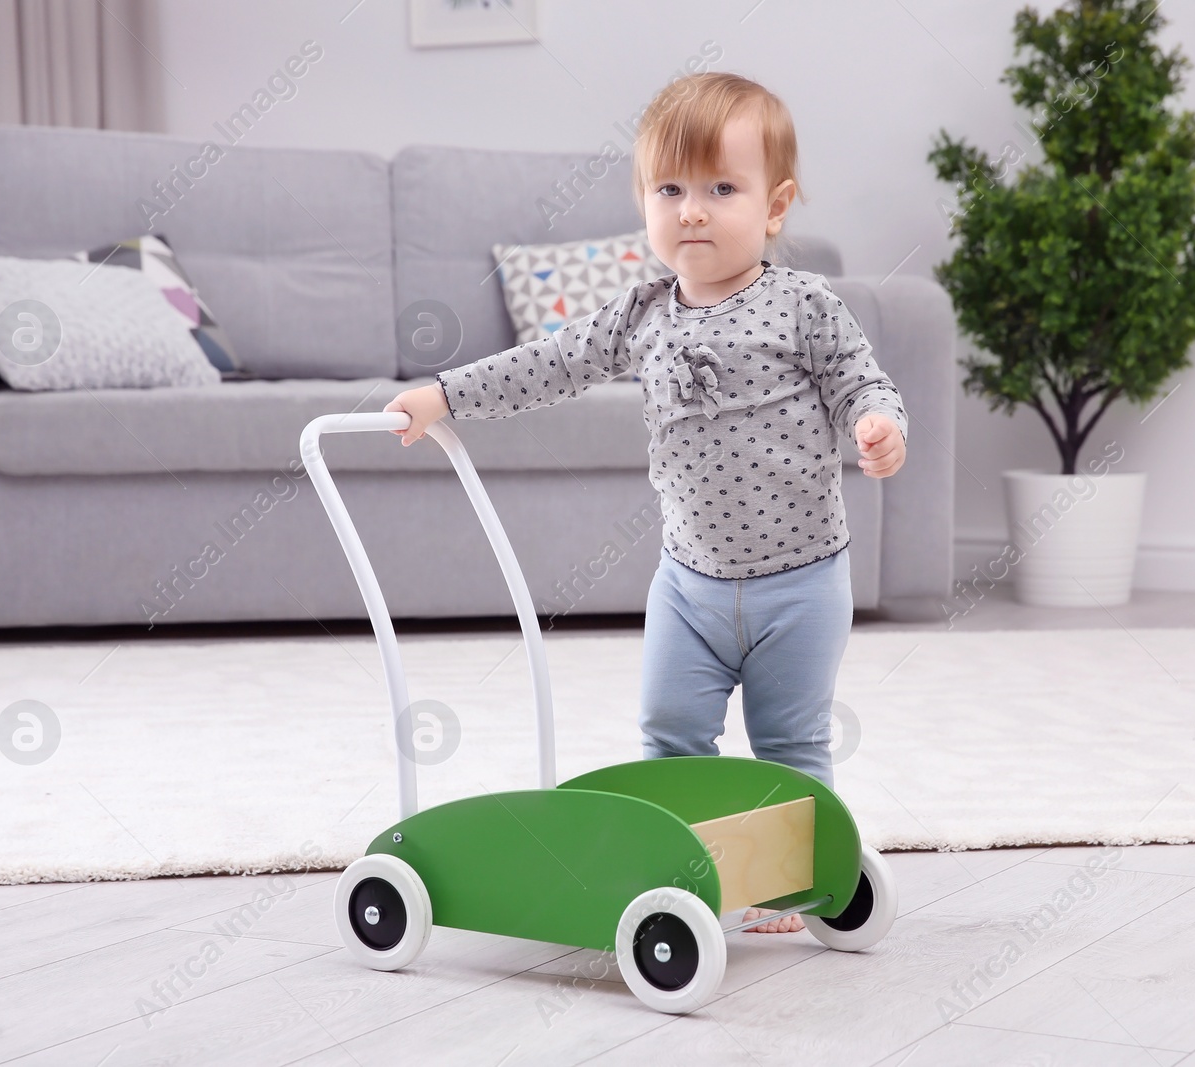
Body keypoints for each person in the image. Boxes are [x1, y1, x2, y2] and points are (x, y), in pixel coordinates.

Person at [385, 71, 907, 933]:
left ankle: (796, 878)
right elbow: (548, 363)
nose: (692, 210)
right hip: (689, 586)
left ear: (774, 208)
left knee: (791, 743)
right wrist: (445, 394)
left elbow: (862, 379)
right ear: (644, 202)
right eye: (670, 189)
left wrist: (878, 423)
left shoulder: (805, 305)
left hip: (802, 584)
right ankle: (688, 873)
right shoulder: (641, 314)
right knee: (669, 737)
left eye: (720, 189)